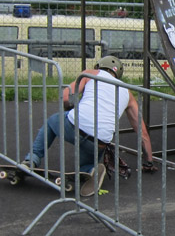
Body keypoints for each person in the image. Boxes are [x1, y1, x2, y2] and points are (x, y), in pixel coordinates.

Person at [22, 55, 155, 193]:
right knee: (87, 163)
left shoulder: (90, 74)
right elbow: (142, 132)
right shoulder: (128, 93)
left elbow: (65, 97)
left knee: (51, 122)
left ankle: (32, 160)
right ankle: (90, 170)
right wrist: (149, 162)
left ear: (99, 66)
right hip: (100, 141)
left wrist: (70, 109)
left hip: (76, 125)